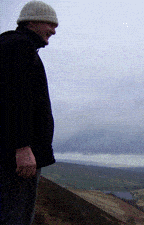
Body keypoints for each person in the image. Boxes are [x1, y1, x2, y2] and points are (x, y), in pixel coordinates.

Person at [0, 1, 58, 224]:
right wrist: (23, 147)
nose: (53, 30)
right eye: (50, 24)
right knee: (15, 214)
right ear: (31, 22)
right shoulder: (20, 47)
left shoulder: (12, 45)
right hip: (16, 157)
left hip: (11, 152)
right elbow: (16, 100)